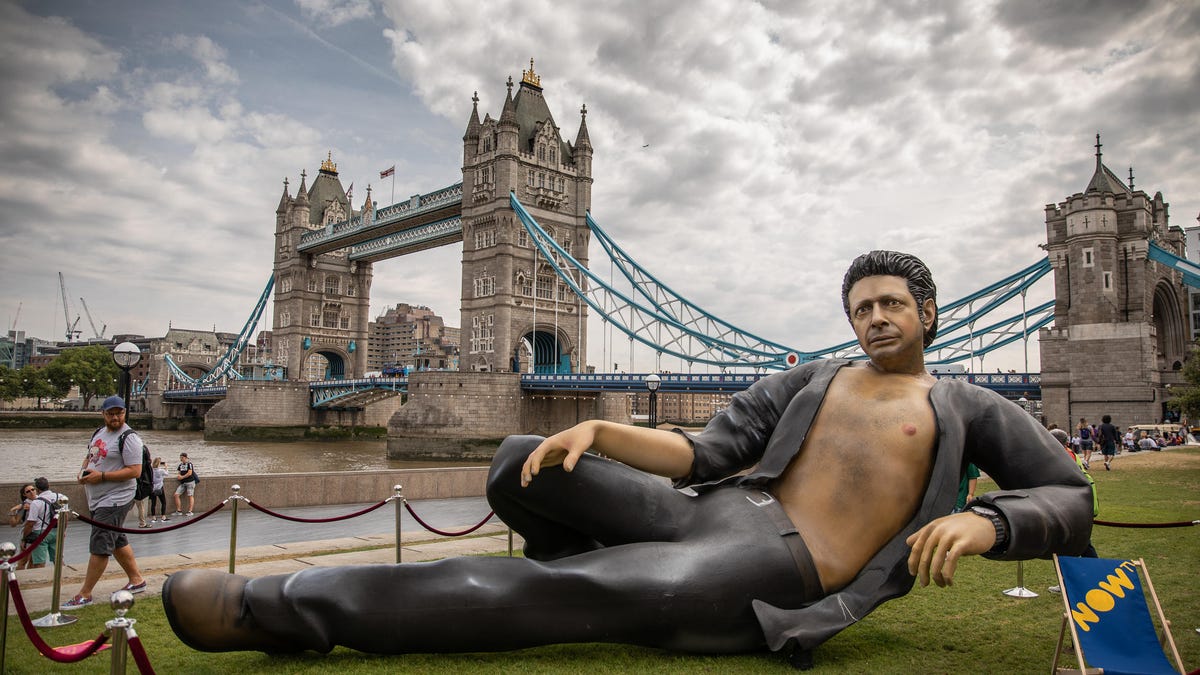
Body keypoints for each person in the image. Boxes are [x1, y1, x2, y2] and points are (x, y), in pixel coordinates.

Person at [162, 250, 1092, 663]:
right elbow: (709, 450)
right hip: (711, 513)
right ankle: (620, 567)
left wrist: (987, 520)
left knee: (555, 590)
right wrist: (599, 432)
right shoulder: (814, 378)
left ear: (929, 313)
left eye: (892, 303)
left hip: (780, 566)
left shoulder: (964, 404)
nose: (876, 317)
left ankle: (278, 609)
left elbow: (1069, 493)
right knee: (523, 457)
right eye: (862, 307)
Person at [62, 395, 148, 608]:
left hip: (116, 499)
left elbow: (135, 471)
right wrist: (83, 471)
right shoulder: (99, 432)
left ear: (125, 413)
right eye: (111, 414)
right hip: (97, 498)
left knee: (100, 544)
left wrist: (101, 477)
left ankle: (85, 594)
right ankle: (137, 580)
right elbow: (90, 456)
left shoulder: (130, 438)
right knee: (116, 539)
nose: (115, 417)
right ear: (103, 414)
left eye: (119, 413)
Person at [1047, 428, 1098, 595]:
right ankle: (1093, 576)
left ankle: (1069, 581)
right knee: (1081, 545)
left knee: (1073, 545)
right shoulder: (1070, 454)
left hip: (1072, 506)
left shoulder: (1062, 456)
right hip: (1077, 504)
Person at [22, 477, 61, 569]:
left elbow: (30, 523)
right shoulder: (61, 497)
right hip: (57, 531)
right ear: (48, 485)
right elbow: (65, 517)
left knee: (39, 563)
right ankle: (63, 576)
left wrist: (25, 539)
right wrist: (63, 531)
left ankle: (40, 578)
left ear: (37, 489)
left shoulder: (36, 502)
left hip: (40, 533)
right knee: (58, 560)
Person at [9, 484, 35, 571]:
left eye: (33, 489)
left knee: (33, 560)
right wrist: (12, 511)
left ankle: (29, 576)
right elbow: (14, 523)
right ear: (24, 494)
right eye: (28, 491)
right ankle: (19, 577)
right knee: (24, 559)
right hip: (27, 533)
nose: (31, 492)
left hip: (40, 533)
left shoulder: (42, 500)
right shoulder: (24, 505)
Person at [173, 452, 197, 516]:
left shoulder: (189, 464)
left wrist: (182, 477)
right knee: (176, 495)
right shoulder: (180, 465)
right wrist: (179, 476)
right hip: (183, 483)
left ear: (186, 458)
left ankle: (190, 511)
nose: (181, 459)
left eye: (182, 457)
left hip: (190, 482)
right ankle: (179, 511)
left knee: (190, 495)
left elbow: (190, 473)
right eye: (180, 457)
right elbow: (179, 472)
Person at [149, 457, 169, 523]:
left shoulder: (151, 470)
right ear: (159, 463)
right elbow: (167, 474)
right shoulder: (161, 470)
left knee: (153, 503)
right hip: (160, 488)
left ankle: (153, 517)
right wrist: (166, 466)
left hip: (153, 488)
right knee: (163, 502)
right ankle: (163, 516)